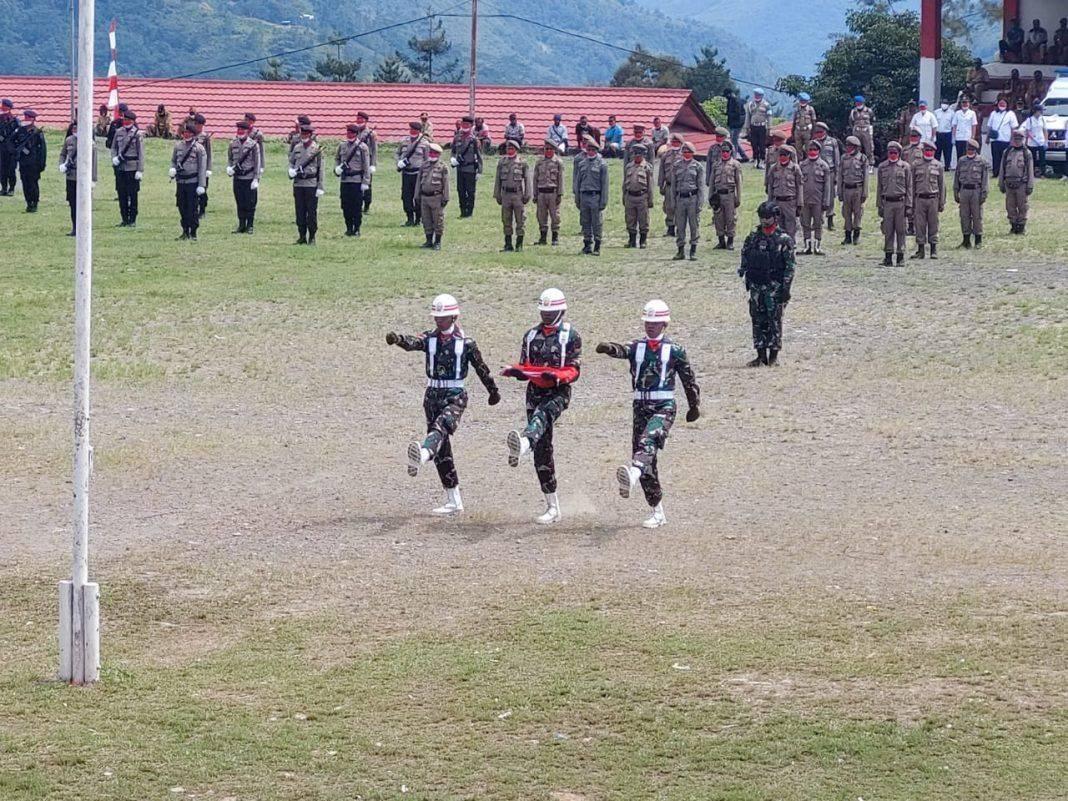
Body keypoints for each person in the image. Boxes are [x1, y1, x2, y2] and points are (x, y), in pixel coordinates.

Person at [388, 294, 500, 516]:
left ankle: (422, 453)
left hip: (455, 394)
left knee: (441, 427)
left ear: (454, 317)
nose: (439, 321)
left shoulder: (466, 344)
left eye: (443, 317)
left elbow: (481, 368)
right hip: (432, 395)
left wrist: (493, 391)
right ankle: (453, 500)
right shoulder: (429, 338)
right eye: (436, 317)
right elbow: (413, 342)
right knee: (443, 448)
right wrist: (398, 339)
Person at [597, 299, 700, 529]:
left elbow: (688, 379)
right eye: (647, 322)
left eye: (655, 323)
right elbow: (622, 350)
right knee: (646, 460)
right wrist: (608, 348)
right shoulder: (637, 346)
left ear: (665, 323)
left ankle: (632, 475)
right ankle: (657, 510)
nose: (650, 326)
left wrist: (694, 405)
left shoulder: (675, 350)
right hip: (640, 407)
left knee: (648, 442)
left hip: (664, 406)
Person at [502, 288, 582, 526]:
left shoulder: (571, 336)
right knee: (543, 450)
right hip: (534, 391)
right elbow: (526, 366)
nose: (547, 316)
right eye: (544, 311)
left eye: (552, 311)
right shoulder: (530, 335)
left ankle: (524, 442)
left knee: (542, 415)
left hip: (558, 391)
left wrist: (557, 376)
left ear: (562, 311)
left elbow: (575, 369)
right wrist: (515, 371)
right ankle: (552, 506)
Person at [738, 202, 795, 367]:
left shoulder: (783, 240)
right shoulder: (754, 237)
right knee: (757, 319)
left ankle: (773, 356)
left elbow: (789, 267)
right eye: (762, 217)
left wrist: (786, 288)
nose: (764, 221)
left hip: (774, 287)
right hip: (757, 286)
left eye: (768, 217)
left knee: (774, 320)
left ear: (775, 217)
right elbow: (745, 256)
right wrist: (746, 274)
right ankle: (760, 355)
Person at [169, 121, 207, 241]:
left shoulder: (199, 148)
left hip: (193, 182)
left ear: (193, 134)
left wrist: (202, 185)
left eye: (188, 132)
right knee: (182, 206)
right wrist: (172, 169)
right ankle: (185, 231)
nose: (186, 134)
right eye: (184, 132)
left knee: (192, 208)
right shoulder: (178, 146)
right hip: (181, 182)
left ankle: (193, 232)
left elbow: (202, 167)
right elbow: (174, 160)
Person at [877, 141, 912, 266]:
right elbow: (879, 188)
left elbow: (909, 188)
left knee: (901, 230)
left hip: (901, 203)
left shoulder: (905, 167)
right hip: (887, 203)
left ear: (899, 153)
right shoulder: (882, 167)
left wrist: (909, 205)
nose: (892, 155)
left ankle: (900, 256)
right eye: (890, 153)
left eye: (895, 153)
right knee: (888, 230)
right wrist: (879, 205)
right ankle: (888, 256)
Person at [58, 119, 96, 235]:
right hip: (71, 176)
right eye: (73, 129)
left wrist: (93, 179)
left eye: (77, 129)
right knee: (72, 203)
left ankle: (84, 227)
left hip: (83, 176)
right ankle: (75, 228)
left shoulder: (90, 143)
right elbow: (63, 154)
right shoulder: (69, 140)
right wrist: (62, 164)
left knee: (84, 204)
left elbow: (94, 162)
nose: (75, 131)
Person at [287, 123, 324, 245]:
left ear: (310, 135)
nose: (303, 136)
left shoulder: (316, 149)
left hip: (311, 184)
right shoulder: (297, 147)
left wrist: (320, 186)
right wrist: (291, 170)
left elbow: (321, 169)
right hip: (298, 184)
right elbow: (291, 161)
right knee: (300, 211)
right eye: (302, 134)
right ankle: (301, 236)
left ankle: (312, 236)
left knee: (311, 212)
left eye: (306, 134)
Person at [573, 135, 609, 255]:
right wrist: (577, 198)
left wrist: (603, 201)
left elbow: (605, 184)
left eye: (593, 150)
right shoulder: (582, 163)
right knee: (585, 221)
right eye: (588, 150)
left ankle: (597, 245)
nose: (590, 152)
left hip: (595, 196)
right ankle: (587, 244)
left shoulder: (602, 164)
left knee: (596, 222)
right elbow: (578, 183)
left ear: (596, 151)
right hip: (584, 196)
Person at [669, 141, 704, 261]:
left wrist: (700, 203)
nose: (686, 153)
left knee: (694, 225)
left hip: (692, 198)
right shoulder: (676, 165)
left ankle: (693, 250)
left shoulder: (698, 166)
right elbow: (673, 185)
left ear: (692, 153)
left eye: (688, 151)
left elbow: (700, 187)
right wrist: (673, 201)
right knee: (680, 225)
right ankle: (680, 251)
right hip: (680, 198)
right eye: (684, 151)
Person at [494, 140, 532, 252]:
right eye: (508, 148)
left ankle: (519, 245)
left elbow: (527, 180)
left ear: (516, 149)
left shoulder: (522, 163)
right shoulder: (502, 162)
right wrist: (497, 194)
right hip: (505, 195)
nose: (509, 150)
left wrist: (527, 194)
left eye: (512, 148)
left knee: (520, 220)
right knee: (506, 219)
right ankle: (508, 244)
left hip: (517, 195)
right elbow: (497, 180)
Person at [334, 123, 371, 237]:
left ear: (355, 134)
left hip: (356, 180)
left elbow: (366, 165)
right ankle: (349, 228)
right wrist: (337, 168)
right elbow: (337, 158)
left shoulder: (362, 147)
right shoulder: (342, 145)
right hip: (345, 179)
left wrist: (366, 181)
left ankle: (357, 228)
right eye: (347, 132)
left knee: (356, 206)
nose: (348, 134)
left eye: (350, 132)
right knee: (345, 205)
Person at [227, 119, 262, 235]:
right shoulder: (233, 143)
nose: (240, 131)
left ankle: (250, 225)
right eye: (239, 129)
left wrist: (256, 178)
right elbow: (230, 158)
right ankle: (241, 225)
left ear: (247, 131)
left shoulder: (253, 145)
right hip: (238, 178)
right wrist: (229, 168)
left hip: (249, 177)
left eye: (242, 129)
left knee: (250, 203)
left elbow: (257, 163)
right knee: (240, 202)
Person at [911, 140, 945, 259]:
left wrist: (941, 202)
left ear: (934, 152)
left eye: (931, 150)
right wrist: (911, 201)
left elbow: (942, 186)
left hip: (933, 199)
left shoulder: (938, 165)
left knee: (933, 224)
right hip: (919, 199)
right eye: (926, 150)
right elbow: (912, 185)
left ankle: (933, 250)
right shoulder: (916, 165)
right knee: (919, 225)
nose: (928, 152)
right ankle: (920, 250)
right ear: (923, 151)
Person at [110, 109, 143, 226]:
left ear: (133, 121)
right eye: (125, 119)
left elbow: (141, 153)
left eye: (128, 120)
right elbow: (113, 147)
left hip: (132, 167)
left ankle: (132, 219)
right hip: (120, 167)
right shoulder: (119, 132)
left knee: (132, 194)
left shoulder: (137, 134)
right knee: (121, 193)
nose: (126, 121)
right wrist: (114, 157)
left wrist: (140, 170)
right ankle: (124, 218)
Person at [954, 139, 989, 249]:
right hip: (964, 191)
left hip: (976, 191)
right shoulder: (961, 161)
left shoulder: (981, 162)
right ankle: (966, 240)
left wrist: (984, 194)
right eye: (968, 149)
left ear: (975, 150)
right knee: (964, 216)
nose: (970, 151)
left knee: (977, 216)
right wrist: (956, 191)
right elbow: (956, 178)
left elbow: (985, 180)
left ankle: (978, 241)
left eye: (972, 149)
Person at [798, 141, 832, 255]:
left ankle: (817, 246)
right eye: (810, 149)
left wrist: (826, 202)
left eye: (815, 150)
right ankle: (807, 246)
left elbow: (827, 186)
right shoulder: (802, 165)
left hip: (818, 200)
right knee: (805, 223)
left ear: (819, 151)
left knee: (818, 224)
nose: (812, 152)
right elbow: (798, 184)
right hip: (805, 200)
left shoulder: (824, 166)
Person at [765, 144, 804, 242]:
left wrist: (800, 203)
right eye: (780, 155)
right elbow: (770, 186)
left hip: (790, 201)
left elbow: (799, 186)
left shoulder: (795, 168)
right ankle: (780, 243)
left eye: (785, 155)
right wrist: (769, 203)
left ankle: (791, 243)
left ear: (789, 156)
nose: (782, 157)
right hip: (777, 200)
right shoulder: (774, 168)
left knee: (791, 224)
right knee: (778, 223)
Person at [709, 140, 742, 250]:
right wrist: (710, 197)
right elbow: (711, 182)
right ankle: (721, 241)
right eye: (723, 151)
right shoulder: (716, 165)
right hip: (718, 196)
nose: (724, 153)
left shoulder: (735, 165)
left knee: (730, 218)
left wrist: (738, 198)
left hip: (730, 195)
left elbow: (739, 183)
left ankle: (730, 241)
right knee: (718, 218)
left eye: (727, 151)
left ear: (731, 152)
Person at [415, 143, 450, 250]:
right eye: (430, 152)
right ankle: (428, 241)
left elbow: (446, 183)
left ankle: (437, 242)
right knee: (426, 220)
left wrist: (446, 197)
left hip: (436, 197)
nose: (432, 155)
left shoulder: (443, 167)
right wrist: (417, 196)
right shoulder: (424, 166)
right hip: (424, 197)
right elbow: (418, 182)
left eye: (434, 153)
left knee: (438, 220)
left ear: (439, 154)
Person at [999, 129, 1034, 235]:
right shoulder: (1007, 152)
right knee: (1010, 206)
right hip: (1009, 184)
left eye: (1019, 139)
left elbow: (1030, 170)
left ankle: (1021, 227)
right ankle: (1013, 226)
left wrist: (1030, 185)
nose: (1017, 141)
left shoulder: (1026, 153)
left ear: (1023, 139)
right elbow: (1002, 168)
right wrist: (1001, 183)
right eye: (1015, 139)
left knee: (1022, 206)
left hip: (1021, 185)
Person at [837, 135, 869, 245]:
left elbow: (866, 177)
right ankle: (847, 235)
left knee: (858, 212)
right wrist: (839, 192)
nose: (848, 148)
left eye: (851, 146)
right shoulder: (843, 158)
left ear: (856, 147)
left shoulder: (862, 158)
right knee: (846, 213)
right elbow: (840, 176)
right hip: (846, 189)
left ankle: (856, 235)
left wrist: (865, 193)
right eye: (847, 146)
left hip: (858, 189)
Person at [622, 143, 654, 249]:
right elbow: (625, 182)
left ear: (643, 155)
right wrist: (624, 196)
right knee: (630, 219)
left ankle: (643, 241)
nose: (637, 156)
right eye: (635, 154)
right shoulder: (628, 166)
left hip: (642, 196)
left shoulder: (647, 168)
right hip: (630, 196)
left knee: (643, 219)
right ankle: (631, 240)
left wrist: (650, 199)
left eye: (639, 155)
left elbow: (650, 185)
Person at [397, 121, 429, 226]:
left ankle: (418, 219)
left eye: (414, 129)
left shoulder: (424, 143)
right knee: (406, 196)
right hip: (406, 173)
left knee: (418, 197)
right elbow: (398, 153)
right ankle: (409, 218)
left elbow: (427, 159)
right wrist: (399, 162)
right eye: (410, 129)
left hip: (418, 173)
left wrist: (426, 173)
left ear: (419, 131)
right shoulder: (404, 141)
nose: (412, 131)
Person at [451, 115, 483, 218]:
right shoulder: (457, 137)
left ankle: (469, 212)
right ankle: (462, 211)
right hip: (460, 168)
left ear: (471, 125)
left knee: (470, 192)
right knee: (460, 190)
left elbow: (479, 156)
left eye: (467, 124)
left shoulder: (474, 140)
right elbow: (453, 151)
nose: (465, 126)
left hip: (470, 169)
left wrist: (479, 171)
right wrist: (452, 159)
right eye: (463, 124)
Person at [811, 122, 841, 230]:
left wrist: (837, 175)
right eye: (817, 132)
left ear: (825, 131)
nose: (818, 134)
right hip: (817, 172)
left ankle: (830, 220)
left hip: (831, 171)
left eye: (820, 132)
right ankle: (817, 220)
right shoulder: (813, 143)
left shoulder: (832, 142)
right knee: (817, 196)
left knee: (830, 197)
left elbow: (836, 159)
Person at [658, 132, 683, 237]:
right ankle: (670, 228)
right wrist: (661, 184)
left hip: (679, 186)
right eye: (673, 141)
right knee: (669, 207)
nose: (674, 143)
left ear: (680, 143)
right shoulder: (666, 155)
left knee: (679, 208)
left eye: (677, 142)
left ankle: (679, 228)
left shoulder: (683, 155)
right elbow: (661, 171)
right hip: (668, 185)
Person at [353, 111, 377, 213]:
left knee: (367, 183)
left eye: (361, 119)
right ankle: (357, 204)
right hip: (356, 162)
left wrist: (373, 164)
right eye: (358, 119)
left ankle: (367, 205)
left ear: (366, 121)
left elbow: (374, 149)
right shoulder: (354, 131)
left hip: (367, 161)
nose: (359, 121)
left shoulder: (371, 134)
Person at [986, 98, 1016, 177]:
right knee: (995, 157)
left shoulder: (1010, 114)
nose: (1002, 105)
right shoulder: (993, 113)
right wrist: (987, 137)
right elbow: (989, 126)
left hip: (1006, 140)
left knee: (1006, 158)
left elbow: (1013, 128)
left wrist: (1012, 140)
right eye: (1000, 103)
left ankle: (1005, 174)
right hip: (995, 140)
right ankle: (996, 173)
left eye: (1004, 104)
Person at [744, 89, 771, 169]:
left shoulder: (766, 105)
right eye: (755, 95)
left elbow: (769, 117)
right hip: (753, 126)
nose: (757, 96)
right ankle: (755, 159)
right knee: (754, 144)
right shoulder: (750, 104)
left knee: (762, 144)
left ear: (762, 96)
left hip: (762, 126)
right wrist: (747, 127)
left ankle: (762, 161)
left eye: (758, 95)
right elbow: (748, 116)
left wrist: (769, 128)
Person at [193, 113, 212, 218]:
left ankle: (202, 209)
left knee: (203, 189)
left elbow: (209, 154)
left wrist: (208, 168)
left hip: (203, 168)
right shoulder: (191, 136)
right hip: (192, 167)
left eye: (200, 125)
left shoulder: (205, 137)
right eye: (197, 124)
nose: (199, 127)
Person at [1022, 102, 1048, 178]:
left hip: (1041, 141)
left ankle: (1042, 173)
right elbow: (1028, 131)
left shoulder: (1042, 119)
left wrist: (1046, 141)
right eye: (1040, 111)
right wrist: (1033, 138)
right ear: (1036, 111)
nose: (1041, 112)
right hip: (1032, 142)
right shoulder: (1029, 120)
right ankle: (1031, 173)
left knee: (1042, 159)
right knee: (1032, 158)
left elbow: (1045, 130)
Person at [951, 96, 979, 162]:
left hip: (968, 137)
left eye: (966, 103)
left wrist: (973, 137)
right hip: (959, 137)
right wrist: (953, 137)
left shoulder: (972, 113)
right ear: (961, 104)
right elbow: (954, 125)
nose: (965, 104)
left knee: (967, 154)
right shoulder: (957, 113)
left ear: (969, 104)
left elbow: (974, 125)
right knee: (959, 154)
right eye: (963, 103)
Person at [724, 88, 749, 163]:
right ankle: (744, 156)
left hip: (737, 124)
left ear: (729, 94)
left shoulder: (735, 101)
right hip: (733, 123)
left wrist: (729, 114)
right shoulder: (731, 100)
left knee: (734, 141)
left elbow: (737, 114)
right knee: (734, 140)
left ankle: (734, 157)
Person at [848, 95, 875, 162]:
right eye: (857, 102)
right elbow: (850, 122)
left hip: (866, 132)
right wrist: (854, 129)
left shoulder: (869, 111)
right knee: (856, 148)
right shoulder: (853, 111)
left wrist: (870, 130)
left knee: (869, 149)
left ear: (863, 103)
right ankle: (857, 164)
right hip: (857, 132)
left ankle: (870, 166)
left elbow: (872, 121)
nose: (858, 104)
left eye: (859, 102)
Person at [0, 98, 18, 196]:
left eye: (2, 105)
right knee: (2, 169)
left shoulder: (14, 120)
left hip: (12, 149)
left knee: (11, 169)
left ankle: (11, 189)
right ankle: (3, 188)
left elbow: (18, 135)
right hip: (2, 148)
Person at [934, 98, 955, 170]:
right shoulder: (936, 112)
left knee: (948, 151)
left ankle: (947, 167)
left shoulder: (952, 113)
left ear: (948, 105)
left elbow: (953, 125)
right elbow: (934, 125)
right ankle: (936, 166)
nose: (944, 105)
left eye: (946, 103)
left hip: (948, 134)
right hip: (938, 133)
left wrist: (953, 137)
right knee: (937, 151)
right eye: (943, 103)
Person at [244, 113, 266, 178]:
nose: (245, 122)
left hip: (254, 159)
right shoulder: (243, 132)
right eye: (244, 120)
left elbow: (261, 151)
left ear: (252, 122)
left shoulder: (258, 134)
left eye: (247, 120)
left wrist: (262, 166)